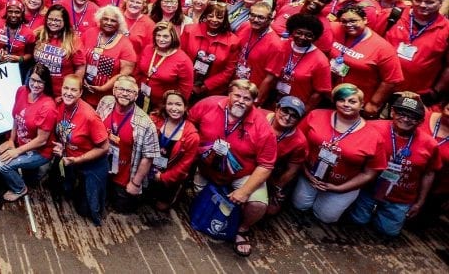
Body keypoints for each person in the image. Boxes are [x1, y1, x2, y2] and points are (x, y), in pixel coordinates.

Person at [188, 79, 276, 257]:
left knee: (258, 204)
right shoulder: (208, 104)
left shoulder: (263, 128)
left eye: (247, 98)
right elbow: (189, 122)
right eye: (237, 95)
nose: (241, 101)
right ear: (228, 93)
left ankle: (242, 230)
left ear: (254, 102)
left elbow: (266, 165)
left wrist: (245, 191)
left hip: (242, 173)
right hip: (207, 166)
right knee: (199, 196)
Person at [350, 93, 442, 236]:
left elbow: (429, 173)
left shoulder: (430, 144)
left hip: (401, 198)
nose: (405, 119)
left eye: (412, 116)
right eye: (401, 113)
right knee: (357, 222)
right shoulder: (372, 127)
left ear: (421, 121)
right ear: (392, 111)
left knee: (388, 232)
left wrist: (419, 202)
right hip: (367, 190)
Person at [292, 83, 384, 223]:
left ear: (361, 104)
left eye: (352, 101)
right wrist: (306, 173)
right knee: (299, 206)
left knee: (326, 217)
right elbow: (296, 144)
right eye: (341, 100)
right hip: (309, 175)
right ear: (335, 102)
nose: (346, 104)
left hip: (343, 185)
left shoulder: (374, 136)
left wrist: (339, 188)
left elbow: (370, 173)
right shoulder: (315, 115)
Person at [50, 74, 110, 225]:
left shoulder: (90, 116)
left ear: (81, 92)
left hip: (91, 163)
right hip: (68, 158)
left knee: (86, 210)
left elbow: (104, 148)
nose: (68, 93)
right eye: (66, 88)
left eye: (73, 90)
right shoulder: (59, 104)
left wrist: (78, 160)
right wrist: (60, 147)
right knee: (60, 189)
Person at [95, 75, 159, 212]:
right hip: (100, 165)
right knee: (88, 206)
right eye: (121, 89)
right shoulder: (105, 102)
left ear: (136, 96)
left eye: (130, 91)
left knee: (123, 209)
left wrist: (135, 183)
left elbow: (148, 158)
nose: (124, 93)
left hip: (124, 176)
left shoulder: (146, 124)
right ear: (113, 90)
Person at [0, 63, 57, 201]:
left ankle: (20, 189)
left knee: (1, 164)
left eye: (40, 82)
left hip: (40, 151)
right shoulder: (22, 91)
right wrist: (11, 140)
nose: (35, 85)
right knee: (1, 155)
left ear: (46, 83)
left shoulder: (48, 107)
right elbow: (16, 117)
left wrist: (17, 151)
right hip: (23, 144)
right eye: (33, 80)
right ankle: (32, 172)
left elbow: (41, 140)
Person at [146, 90, 199, 211]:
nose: (174, 108)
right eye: (170, 104)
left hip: (169, 175)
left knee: (161, 208)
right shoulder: (154, 120)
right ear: (165, 105)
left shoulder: (192, 136)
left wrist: (163, 177)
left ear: (185, 107)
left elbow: (183, 166)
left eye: (178, 104)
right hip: (148, 167)